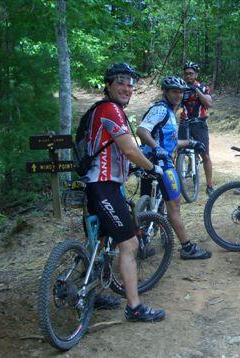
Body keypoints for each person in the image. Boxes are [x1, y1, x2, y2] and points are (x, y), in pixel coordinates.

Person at [84, 63, 165, 321]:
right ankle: (134, 307)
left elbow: (116, 151)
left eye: (131, 84)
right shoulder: (111, 110)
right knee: (129, 244)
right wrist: (153, 168)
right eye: (121, 82)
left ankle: (91, 292)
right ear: (108, 84)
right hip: (104, 186)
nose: (127, 88)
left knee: (100, 241)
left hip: (99, 184)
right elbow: (130, 149)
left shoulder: (104, 109)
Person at [137, 76, 212, 260]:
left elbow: (169, 141)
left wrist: (191, 142)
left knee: (150, 206)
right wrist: (157, 148)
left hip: (152, 161)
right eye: (174, 91)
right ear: (165, 92)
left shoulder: (170, 112)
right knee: (174, 205)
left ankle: (142, 243)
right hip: (160, 162)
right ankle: (187, 248)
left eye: (181, 92)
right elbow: (142, 131)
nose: (179, 95)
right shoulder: (160, 109)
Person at [181, 61, 215, 195]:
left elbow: (209, 103)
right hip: (184, 123)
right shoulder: (180, 87)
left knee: (205, 155)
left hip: (199, 123)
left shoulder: (202, 87)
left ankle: (209, 185)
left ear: (196, 74)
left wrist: (196, 90)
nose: (188, 76)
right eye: (186, 74)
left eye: (191, 73)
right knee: (177, 150)